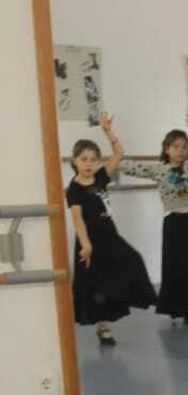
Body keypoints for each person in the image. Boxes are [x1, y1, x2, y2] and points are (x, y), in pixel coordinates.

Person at [65, 115, 156, 346]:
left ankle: (140, 298)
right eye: (83, 159)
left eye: (93, 160)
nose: (88, 164)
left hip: (110, 237)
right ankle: (103, 328)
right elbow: (78, 220)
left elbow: (119, 153)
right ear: (74, 161)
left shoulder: (101, 177)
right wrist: (85, 244)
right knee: (96, 285)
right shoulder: (74, 189)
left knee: (133, 259)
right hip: (91, 241)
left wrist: (108, 131)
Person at [116, 114, 188, 324]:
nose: (181, 151)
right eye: (176, 147)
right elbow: (131, 167)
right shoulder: (160, 170)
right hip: (173, 222)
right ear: (167, 149)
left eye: (184, 147)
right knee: (173, 265)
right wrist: (113, 157)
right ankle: (173, 307)